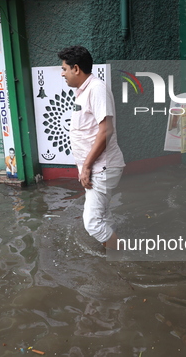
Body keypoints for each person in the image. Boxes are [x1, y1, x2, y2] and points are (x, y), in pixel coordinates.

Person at [58, 46, 125, 250]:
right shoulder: (84, 91)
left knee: (92, 223)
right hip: (96, 167)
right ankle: (111, 250)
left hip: (101, 167)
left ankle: (121, 256)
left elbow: (106, 131)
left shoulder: (96, 89)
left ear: (76, 69)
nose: (62, 74)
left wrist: (86, 166)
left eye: (64, 69)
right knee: (103, 215)